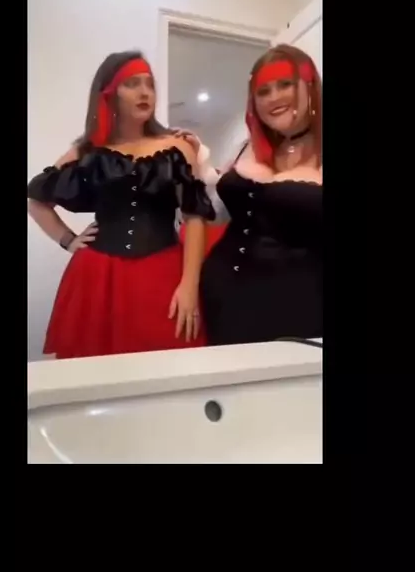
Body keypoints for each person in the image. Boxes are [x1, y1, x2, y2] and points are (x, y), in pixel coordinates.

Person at [27, 51, 215, 359]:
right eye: (132, 84)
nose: (145, 92)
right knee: (93, 372)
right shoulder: (88, 151)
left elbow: (195, 216)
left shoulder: (177, 147)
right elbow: (36, 199)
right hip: (98, 277)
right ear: (109, 93)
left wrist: (189, 285)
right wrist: (68, 239)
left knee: (169, 364)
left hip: (163, 271)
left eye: (149, 84)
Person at [176, 43, 322, 346]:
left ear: (309, 86)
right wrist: (199, 165)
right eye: (263, 91)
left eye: (285, 84)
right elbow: (218, 213)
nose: (274, 97)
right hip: (223, 291)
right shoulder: (246, 147)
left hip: (301, 303)